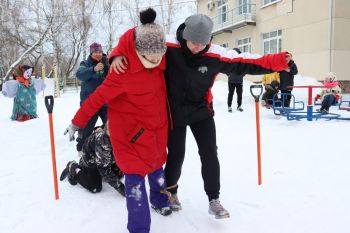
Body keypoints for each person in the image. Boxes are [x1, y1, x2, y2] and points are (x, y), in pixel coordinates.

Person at [111, 14, 292, 219]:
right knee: (176, 154)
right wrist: (118, 53)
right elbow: (134, 35)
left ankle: (214, 199)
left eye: (202, 43)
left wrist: (277, 61)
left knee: (209, 153)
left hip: (200, 110)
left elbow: (244, 61)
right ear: (184, 35)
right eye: (193, 42)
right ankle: (171, 191)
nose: (197, 47)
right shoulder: (168, 43)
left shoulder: (215, 54)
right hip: (173, 111)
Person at [64, 8, 171, 233]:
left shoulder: (162, 61)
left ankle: (160, 201)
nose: (155, 59)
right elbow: (96, 99)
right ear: (138, 51)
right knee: (135, 186)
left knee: (157, 171)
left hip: (156, 133)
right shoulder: (121, 71)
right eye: (149, 55)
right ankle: (139, 228)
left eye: (158, 54)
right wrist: (77, 122)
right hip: (131, 137)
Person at [60, 124, 125, 196]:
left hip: (107, 158)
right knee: (95, 187)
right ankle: (74, 168)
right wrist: (122, 189)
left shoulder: (123, 135)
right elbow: (104, 169)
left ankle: (101, 171)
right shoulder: (104, 142)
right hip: (91, 160)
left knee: (119, 174)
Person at [75, 42, 109, 153]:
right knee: (86, 129)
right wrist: (93, 69)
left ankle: (109, 146)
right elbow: (79, 74)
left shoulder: (105, 63)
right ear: (91, 53)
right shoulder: (85, 64)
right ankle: (81, 148)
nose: (98, 54)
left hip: (104, 102)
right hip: (89, 103)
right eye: (95, 52)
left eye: (100, 52)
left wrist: (107, 65)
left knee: (111, 124)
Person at [226, 48, 245, 112]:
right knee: (231, 94)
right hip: (231, 81)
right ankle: (229, 106)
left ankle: (239, 106)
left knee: (239, 94)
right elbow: (226, 68)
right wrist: (229, 74)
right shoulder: (230, 60)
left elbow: (244, 69)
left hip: (239, 81)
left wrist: (242, 75)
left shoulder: (241, 60)